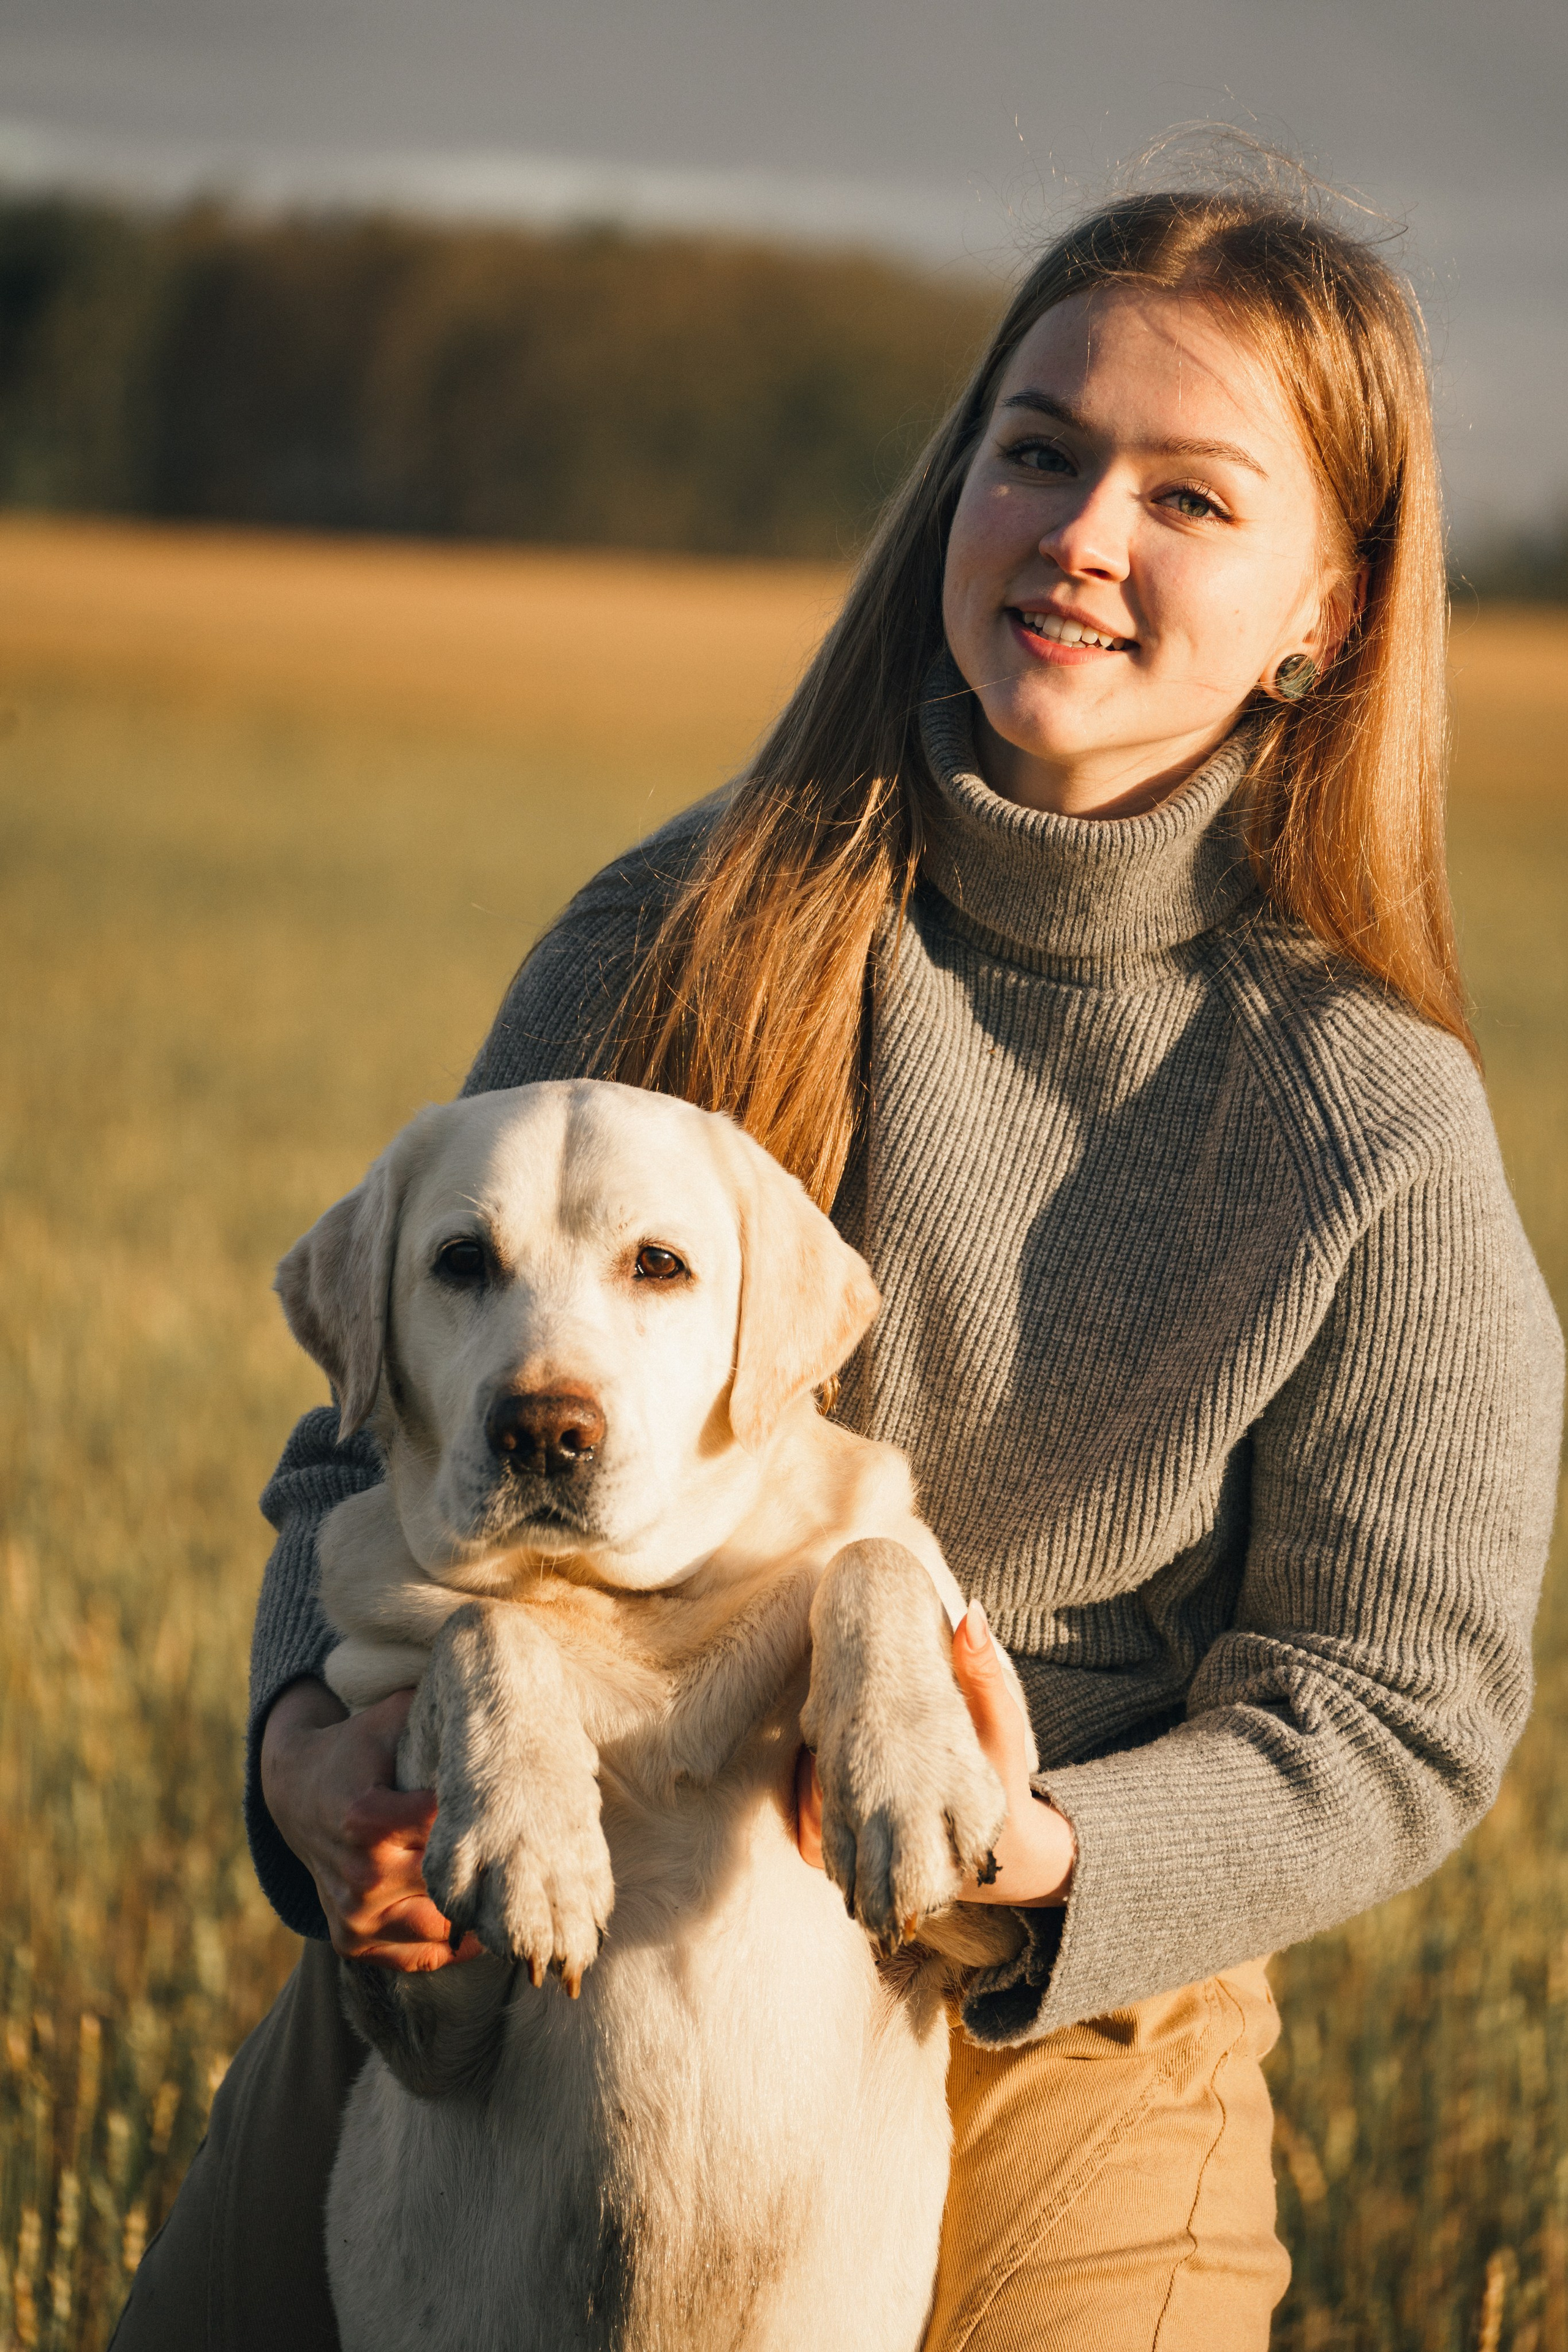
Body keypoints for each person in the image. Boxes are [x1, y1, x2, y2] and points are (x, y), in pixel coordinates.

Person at [115, 178, 1562, 2351]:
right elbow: (361, 1455)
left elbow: (1398, 1714)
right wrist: (307, 1758)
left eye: (1189, 494)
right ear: (957, 486)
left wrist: (1043, 1864)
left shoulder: (1374, 1122)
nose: (1083, 532)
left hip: (1045, 2007)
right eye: (1041, 449)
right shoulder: (673, 931)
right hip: (529, 1877)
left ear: (1328, 612)